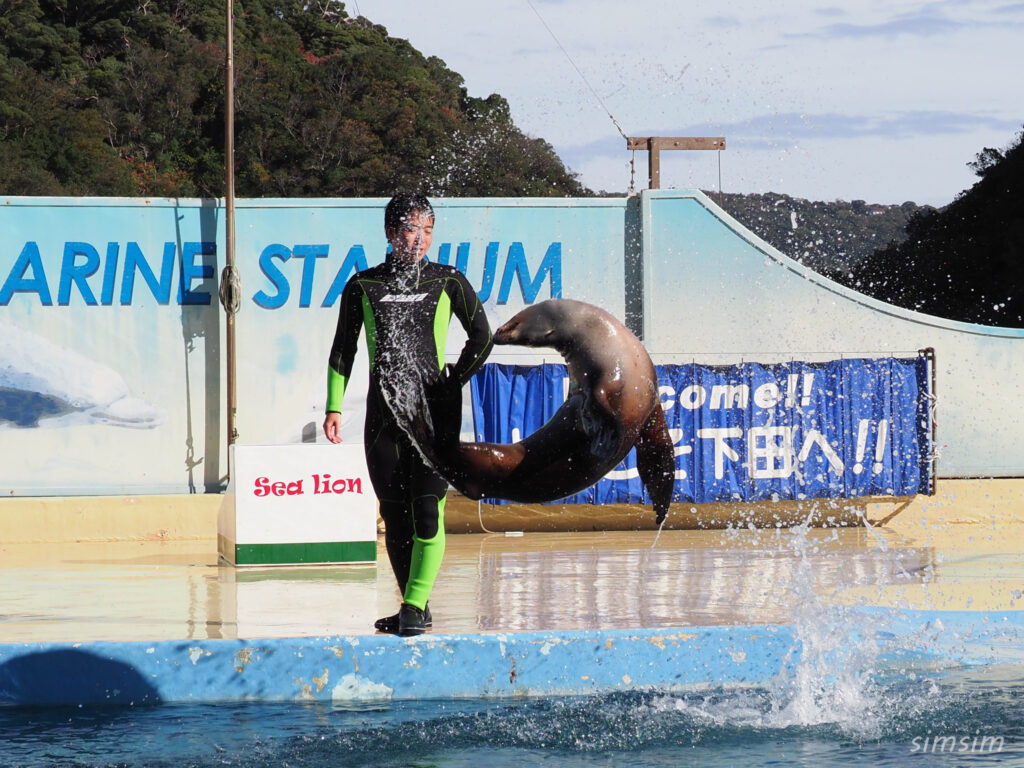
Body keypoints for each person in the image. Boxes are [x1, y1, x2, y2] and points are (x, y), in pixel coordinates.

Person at [323, 193, 492, 636]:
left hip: (432, 417)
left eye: (428, 230)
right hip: (382, 419)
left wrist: (454, 380)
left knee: (427, 510)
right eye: (410, 229)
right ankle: (413, 605)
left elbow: (482, 336)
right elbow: (344, 349)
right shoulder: (363, 285)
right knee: (394, 514)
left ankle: (415, 605)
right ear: (390, 233)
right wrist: (334, 406)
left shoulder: (447, 280)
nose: (420, 239)